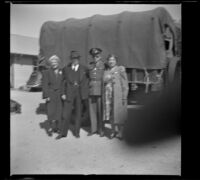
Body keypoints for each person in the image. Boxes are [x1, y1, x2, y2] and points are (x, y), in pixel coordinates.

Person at [56, 51, 89, 139]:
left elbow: (90, 80)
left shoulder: (84, 69)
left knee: (78, 113)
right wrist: (62, 93)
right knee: (66, 114)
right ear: (71, 59)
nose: (75, 60)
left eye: (77, 58)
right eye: (73, 58)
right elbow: (62, 82)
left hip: (80, 93)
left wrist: (86, 91)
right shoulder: (66, 69)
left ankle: (76, 132)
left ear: (79, 59)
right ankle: (62, 133)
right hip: (69, 93)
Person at [103, 54, 129, 139]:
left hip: (117, 95)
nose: (111, 61)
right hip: (108, 95)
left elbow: (125, 84)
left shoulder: (120, 69)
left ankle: (120, 132)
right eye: (109, 60)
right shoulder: (106, 70)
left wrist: (124, 96)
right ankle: (113, 131)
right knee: (111, 114)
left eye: (113, 60)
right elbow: (103, 80)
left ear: (116, 61)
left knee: (119, 114)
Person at [42, 55, 63, 136]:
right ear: (50, 64)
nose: (54, 64)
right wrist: (46, 95)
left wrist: (63, 94)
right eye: (52, 63)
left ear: (58, 63)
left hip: (59, 94)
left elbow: (63, 83)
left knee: (59, 111)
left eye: (55, 62)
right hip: (51, 94)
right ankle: (50, 128)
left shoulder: (62, 71)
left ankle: (57, 128)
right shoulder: (46, 72)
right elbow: (45, 85)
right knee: (51, 112)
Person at [87, 48, 105, 137]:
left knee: (100, 110)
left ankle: (101, 129)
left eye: (97, 56)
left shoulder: (104, 65)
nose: (95, 58)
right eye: (94, 56)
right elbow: (87, 77)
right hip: (91, 90)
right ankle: (93, 129)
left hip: (100, 90)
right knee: (92, 110)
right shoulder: (90, 65)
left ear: (100, 56)